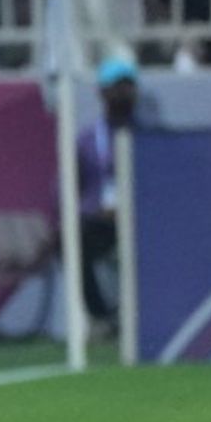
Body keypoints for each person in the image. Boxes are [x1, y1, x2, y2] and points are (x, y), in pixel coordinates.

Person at [76, 58, 138, 337]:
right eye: (116, 86)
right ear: (102, 91)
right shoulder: (88, 140)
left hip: (141, 220)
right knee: (74, 242)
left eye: (128, 86)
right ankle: (101, 316)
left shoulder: (148, 135)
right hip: (101, 220)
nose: (123, 93)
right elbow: (70, 187)